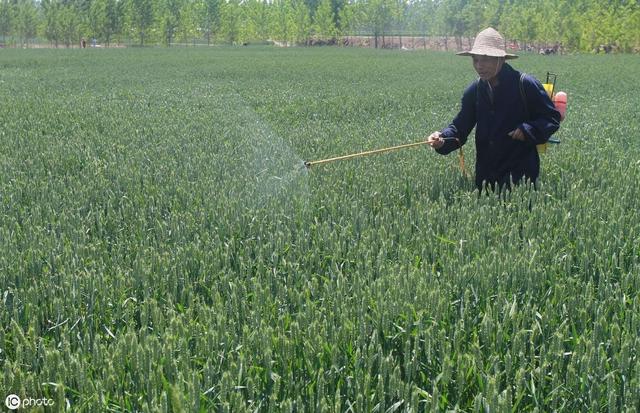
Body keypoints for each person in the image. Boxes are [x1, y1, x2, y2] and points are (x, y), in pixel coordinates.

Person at [426, 27, 561, 191]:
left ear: (501, 59)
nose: (479, 66)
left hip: (520, 177)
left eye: (485, 59)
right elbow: (460, 128)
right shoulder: (474, 90)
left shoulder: (525, 84)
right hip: (485, 178)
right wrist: (442, 139)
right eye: (475, 60)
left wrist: (527, 130)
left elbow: (551, 118)